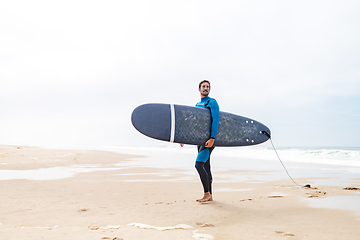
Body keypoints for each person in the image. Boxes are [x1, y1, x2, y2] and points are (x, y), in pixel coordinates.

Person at [181, 80, 220, 203]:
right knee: (206, 167)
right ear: (199, 89)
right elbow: (194, 124)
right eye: (203, 87)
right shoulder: (198, 104)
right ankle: (209, 196)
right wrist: (183, 138)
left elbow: (215, 120)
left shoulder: (212, 102)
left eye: (207, 87)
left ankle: (206, 193)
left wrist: (212, 138)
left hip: (209, 140)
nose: (205, 88)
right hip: (199, 140)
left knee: (199, 164)